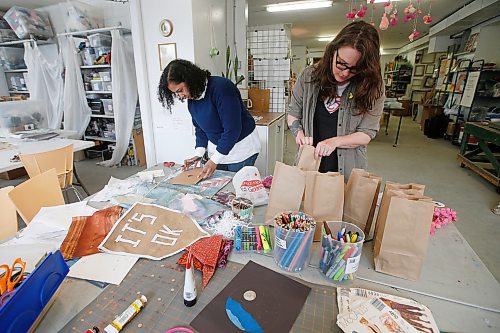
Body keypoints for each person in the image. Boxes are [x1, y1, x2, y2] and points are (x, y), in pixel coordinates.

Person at [287, 20, 384, 179]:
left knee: (344, 203)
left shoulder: (373, 86)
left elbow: (367, 133)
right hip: (310, 163)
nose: (345, 73)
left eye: (354, 69)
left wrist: (334, 142)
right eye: (341, 64)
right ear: (333, 52)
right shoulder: (309, 76)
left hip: (348, 167)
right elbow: (293, 115)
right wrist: (299, 133)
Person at [158, 59, 260, 179]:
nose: (181, 96)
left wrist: (214, 160)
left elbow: (233, 129)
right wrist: (198, 154)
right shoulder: (192, 98)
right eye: (176, 93)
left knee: (237, 188)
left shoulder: (222, 88)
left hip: (241, 149)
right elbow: (200, 129)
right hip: (219, 150)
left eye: (180, 90)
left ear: (190, 80)